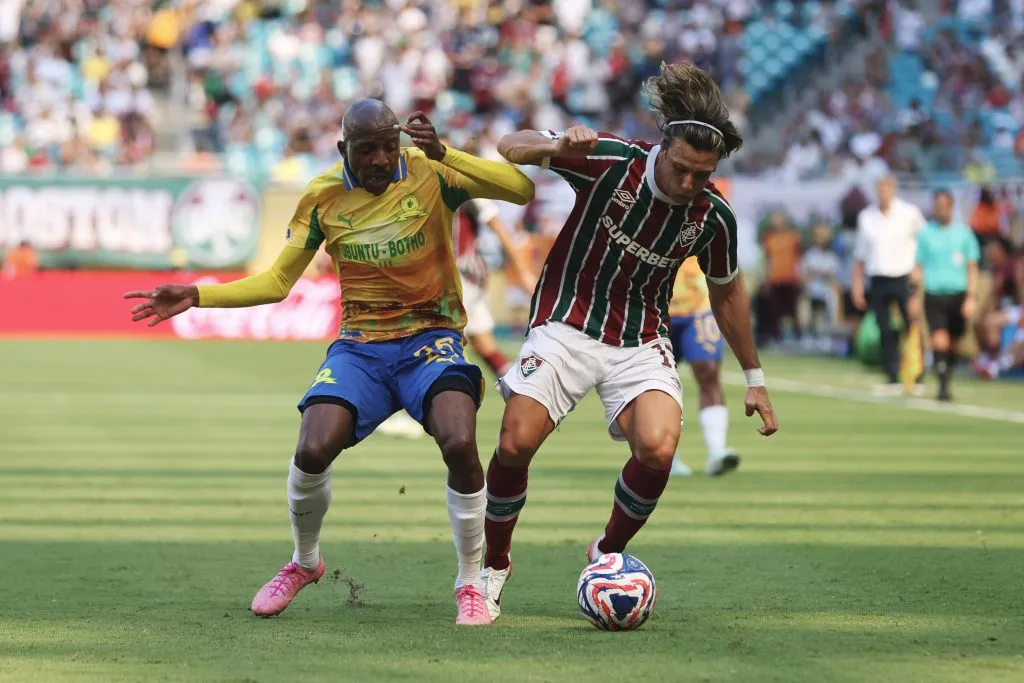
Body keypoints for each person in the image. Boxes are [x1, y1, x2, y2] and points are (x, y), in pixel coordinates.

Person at [124, 100, 535, 626]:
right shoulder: (322, 196)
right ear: (344, 149)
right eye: (367, 150)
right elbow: (277, 281)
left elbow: (520, 190)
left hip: (432, 340)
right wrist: (198, 294)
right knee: (313, 448)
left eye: (389, 147)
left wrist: (446, 152)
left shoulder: (432, 170)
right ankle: (305, 562)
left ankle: (470, 581)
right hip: (361, 346)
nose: (381, 159)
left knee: (459, 441)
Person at [479, 62, 779, 621]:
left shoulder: (713, 217)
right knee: (516, 442)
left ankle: (607, 551)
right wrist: (555, 146)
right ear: (663, 147)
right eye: (682, 169)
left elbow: (728, 294)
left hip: (641, 339)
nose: (689, 184)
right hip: (566, 323)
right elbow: (509, 145)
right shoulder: (609, 159)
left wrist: (755, 378)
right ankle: (494, 563)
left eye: (702, 175)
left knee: (659, 448)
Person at [851, 175, 927, 394]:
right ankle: (892, 374)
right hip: (878, 277)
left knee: (910, 325)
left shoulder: (909, 213)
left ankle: (916, 373)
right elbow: (860, 255)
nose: (883, 193)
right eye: (880, 189)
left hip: (904, 276)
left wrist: (918, 269)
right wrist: (857, 285)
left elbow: (925, 242)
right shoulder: (867, 217)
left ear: (894, 190)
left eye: (887, 189)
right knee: (884, 328)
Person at [666, 257, 739, 478]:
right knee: (657, 381)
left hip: (698, 303)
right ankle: (663, 454)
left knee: (708, 370)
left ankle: (717, 451)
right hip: (656, 305)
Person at [913, 190, 980, 401]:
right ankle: (942, 386)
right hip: (934, 294)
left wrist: (971, 296)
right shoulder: (926, 234)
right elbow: (918, 266)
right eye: (938, 205)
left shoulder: (964, 233)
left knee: (954, 342)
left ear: (951, 206)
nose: (941, 209)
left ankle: (945, 372)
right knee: (939, 339)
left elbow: (972, 267)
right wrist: (913, 294)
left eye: (944, 205)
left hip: (958, 294)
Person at [974, 237, 1024, 379]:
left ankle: (998, 365)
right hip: (1017, 310)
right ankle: (993, 359)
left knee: (1020, 334)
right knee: (987, 321)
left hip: (1019, 311)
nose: (988, 252)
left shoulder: (1012, 266)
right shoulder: (1005, 267)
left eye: (992, 248)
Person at [761, 211, 803, 344]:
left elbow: (799, 258)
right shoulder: (769, 238)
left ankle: (797, 337)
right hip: (775, 279)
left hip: (790, 278)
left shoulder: (793, 237)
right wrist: (766, 278)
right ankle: (775, 337)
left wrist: (801, 276)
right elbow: (767, 260)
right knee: (774, 310)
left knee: (792, 309)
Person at [800, 223, 841, 349]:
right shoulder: (809, 255)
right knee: (806, 308)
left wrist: (818, 273)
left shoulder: (832, 257)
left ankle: (826, 337)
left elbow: (833, 276)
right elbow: (805, 274)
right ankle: (807, 335)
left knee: (832, 303)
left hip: (826, 291)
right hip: (812, 290)